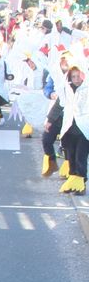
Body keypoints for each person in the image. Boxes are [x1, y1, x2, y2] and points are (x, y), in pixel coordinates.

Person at [56, 60, 89, 195]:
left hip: (84, 129)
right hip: (69, 128)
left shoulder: (87, 88)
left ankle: (80, 184)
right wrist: (50, 120)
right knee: (71, 157)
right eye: (73, 76)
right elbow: (60, 103)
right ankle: (72, 182)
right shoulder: (67, 88)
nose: (76, 79)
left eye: (78, 76)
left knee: (80, 157)